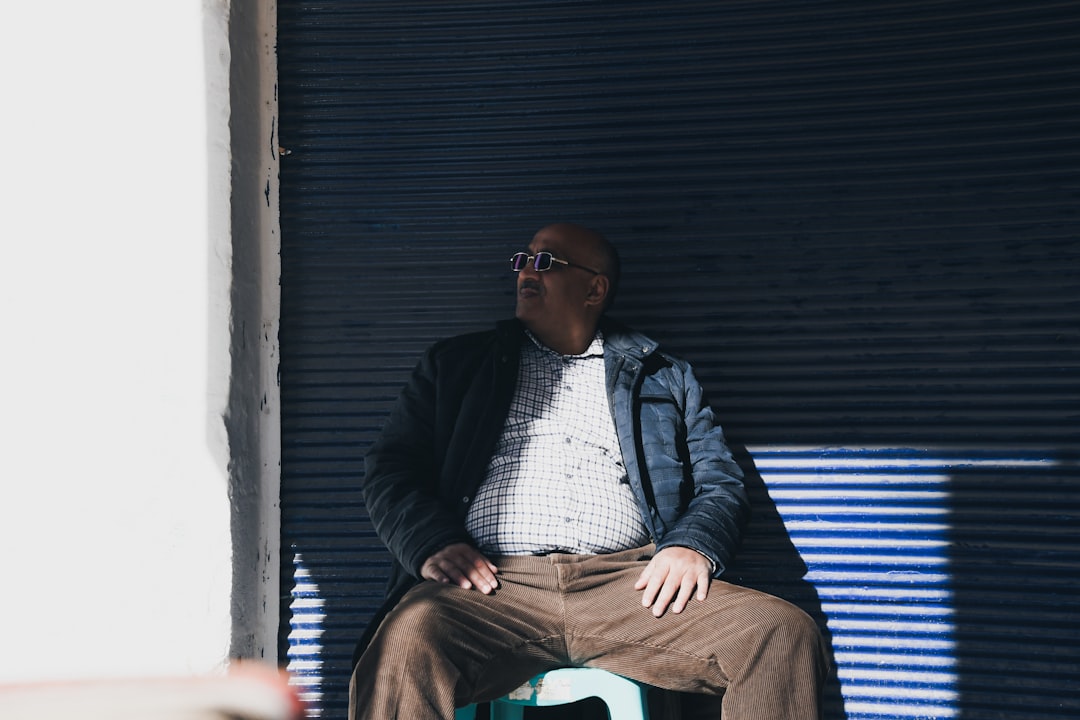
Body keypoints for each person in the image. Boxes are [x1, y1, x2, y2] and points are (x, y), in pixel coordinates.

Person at [349, 222, 829, 719]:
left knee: (779, 630)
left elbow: (720, 482)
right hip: (490, 589)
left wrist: (692, 545)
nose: (525, 274)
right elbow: (391, 467)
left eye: (545, 262)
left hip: (630, 588)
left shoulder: (662, 375)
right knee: (406, 639)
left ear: (595, 288)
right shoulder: (458, 365)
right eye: (523, 260)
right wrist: (430, 541)